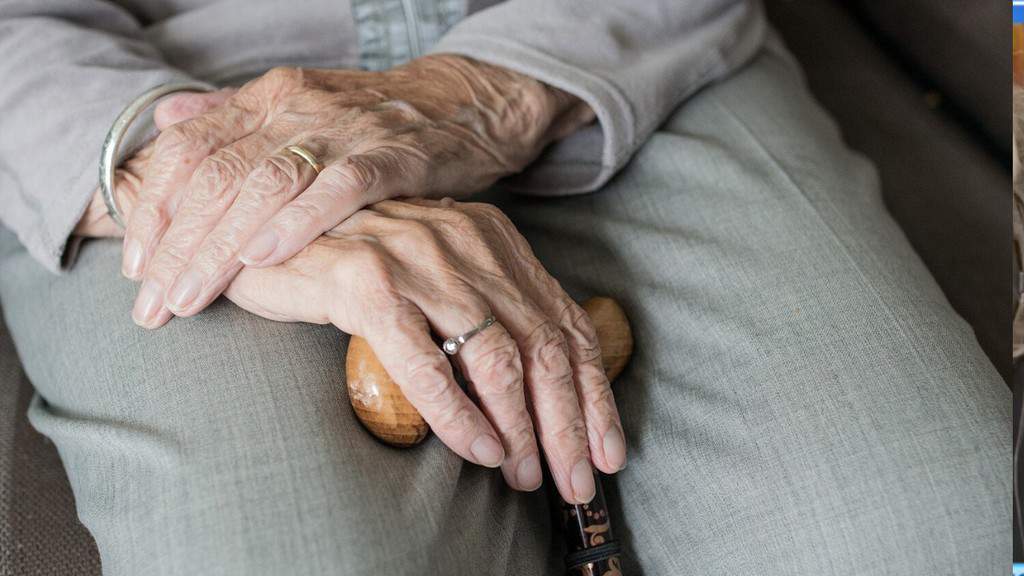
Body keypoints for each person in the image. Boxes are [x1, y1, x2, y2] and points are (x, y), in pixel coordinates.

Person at [0, 1, 1007, 574]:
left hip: (614, 37)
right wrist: (189, 178)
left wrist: (478, 95)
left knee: (933, 534)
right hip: (131, 90)